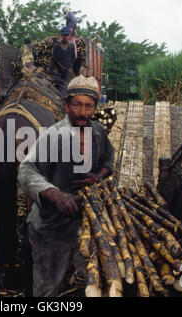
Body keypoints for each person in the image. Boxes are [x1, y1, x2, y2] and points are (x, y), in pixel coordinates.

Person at [18, 75, 115, 296]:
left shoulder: (98, 132)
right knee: (47, 285)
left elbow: (109, 160)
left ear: (95, 107)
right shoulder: (53, 135)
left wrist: (97, 176)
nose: (83, 113)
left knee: (95, 281)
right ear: (66, 105)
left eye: (88, 106)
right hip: (51, 224)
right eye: (77, 105)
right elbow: (26, 169)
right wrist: (53, 193)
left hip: (89, 222)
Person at [51, 27, 76, 94]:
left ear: (70, 36)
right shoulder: (57, 46)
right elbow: (53, 59)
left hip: (68, 71)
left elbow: (73, 58)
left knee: (68, 88)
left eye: (67, 35)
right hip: (59, 73)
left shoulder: (71, 46)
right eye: (64, 35)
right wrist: (54, 71)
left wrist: (70, 69)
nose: (66, 36)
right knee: (59, 89)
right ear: (61, 36)